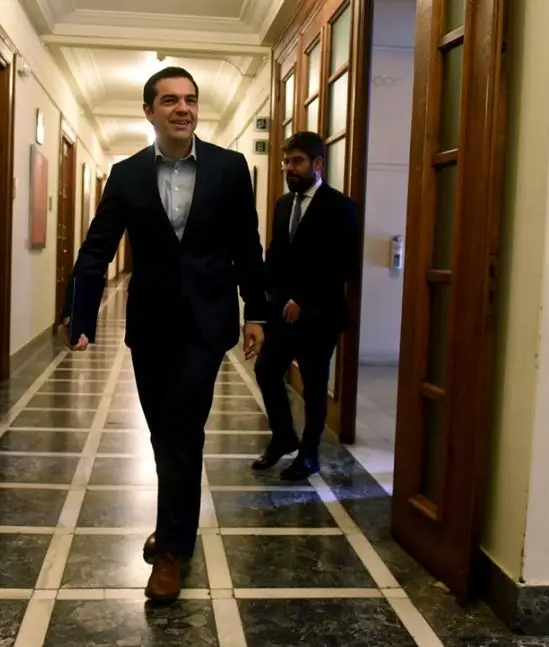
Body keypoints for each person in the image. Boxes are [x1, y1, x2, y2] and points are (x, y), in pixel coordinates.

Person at [59, 66, 268, 601]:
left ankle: (171, 551)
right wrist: (79, 315)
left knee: (181, 427)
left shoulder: (228, 168)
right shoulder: (127, 174)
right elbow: (97, 247)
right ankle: (177, 523)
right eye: (170, 100)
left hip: (206, 322)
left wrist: (257, 313)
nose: (183, 108)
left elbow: (247, 245)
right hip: (150, 324)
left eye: (190, 100)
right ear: (149, 111)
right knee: (163, 432)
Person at [252, 131, 358, 481]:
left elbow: (342, 264)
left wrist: (303, 300)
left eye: (296, 161)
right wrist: (264, 297)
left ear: (317, 163)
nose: (288, 168)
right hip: (281, 311)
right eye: (286, 162)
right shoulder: (284, 204)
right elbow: (277, 253)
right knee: (267, 371)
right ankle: (283, 436)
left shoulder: (340, 206)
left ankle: (309, 455)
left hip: (320, 314)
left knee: (313, 386)